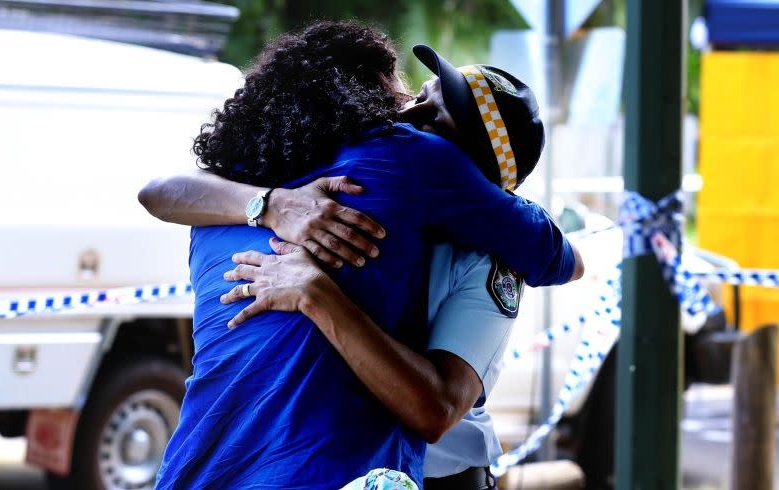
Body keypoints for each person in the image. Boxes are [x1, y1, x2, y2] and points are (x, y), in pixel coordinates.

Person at [142, 21, 578, 489]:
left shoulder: (482, 255)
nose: (410, 111)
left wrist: (316, 292)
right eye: (421, 93)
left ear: (476, 170)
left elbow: (438, 409)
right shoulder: (289, 192)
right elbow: (158, 192)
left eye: (436, 117)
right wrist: (270, 205)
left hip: (427, 474)